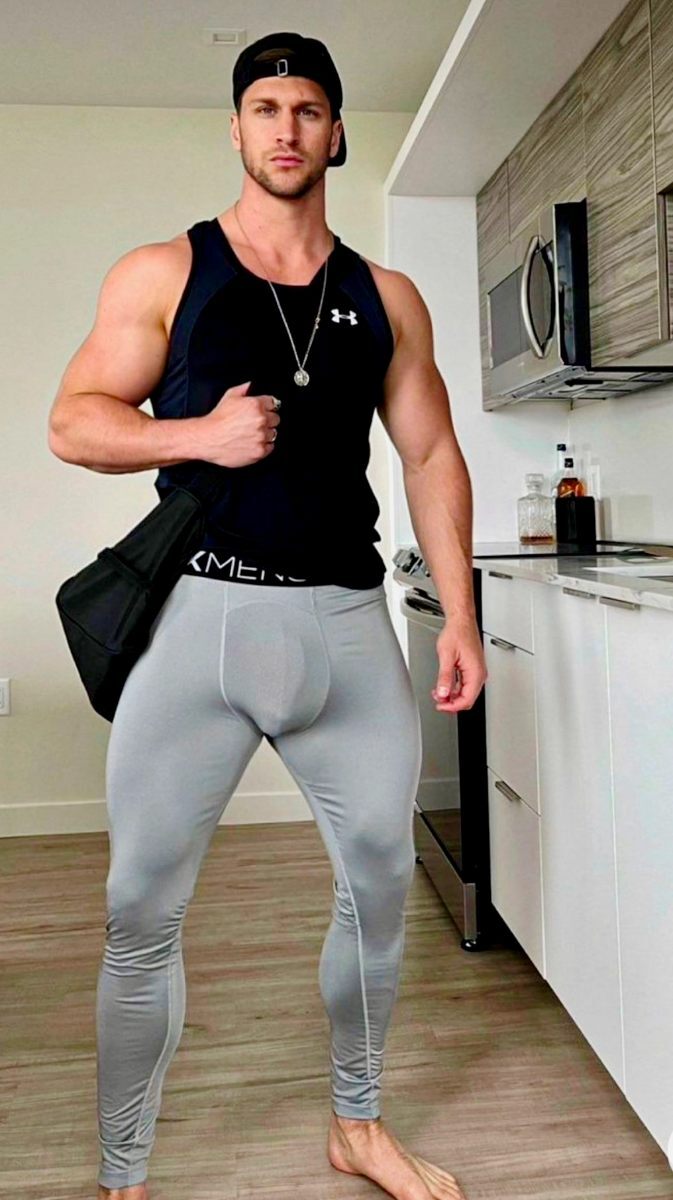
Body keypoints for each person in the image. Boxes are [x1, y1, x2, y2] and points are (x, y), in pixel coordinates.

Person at [48, 30, 486, 1200]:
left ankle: (358, 1125)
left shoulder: (386, 298)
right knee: (140, 906)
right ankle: (124, 1174)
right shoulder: (166, 272)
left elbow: (432, 453)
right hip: (200, 624)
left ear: (335, 133)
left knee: (380, 886)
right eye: (263, 106)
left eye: (306, 108)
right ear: (237, 128)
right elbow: (75, 418)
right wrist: (198, 433)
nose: (285, 127)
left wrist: (458, 614)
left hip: (345, 626)